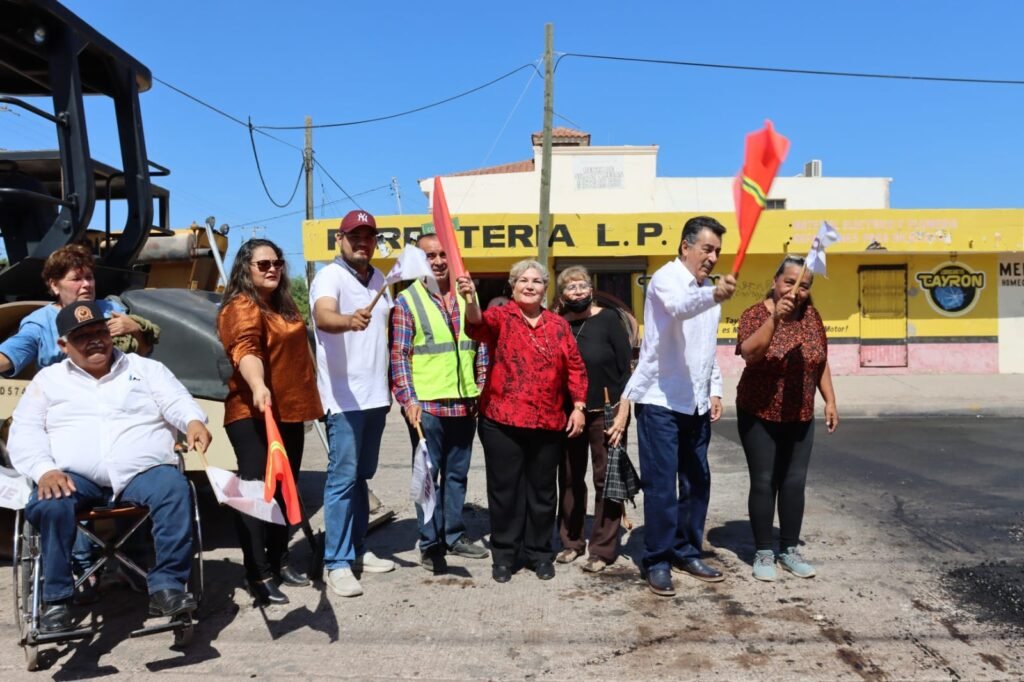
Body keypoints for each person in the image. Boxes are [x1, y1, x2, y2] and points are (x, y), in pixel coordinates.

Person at [7, 301, 211, 633]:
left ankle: (167, 587)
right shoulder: (48, 381)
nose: (95, 340)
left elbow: (176, 400)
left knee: (174, 488)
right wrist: (44, 470)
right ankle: (56, 601)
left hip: (142, 473)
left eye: (100, 331)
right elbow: (25, 432)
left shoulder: (144, 369)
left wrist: (192, 422)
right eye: (82, 336)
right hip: (75, 478)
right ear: (63, 345)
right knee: (51, 502)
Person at [623, 215, 737, 597]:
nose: (712, 257)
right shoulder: (666, 280)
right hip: (660, 400)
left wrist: (715, 389)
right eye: (706, 248)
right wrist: (714, 294)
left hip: (696, 402)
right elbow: (679, 307)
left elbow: (707, 347)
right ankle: (657, 559)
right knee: (662, 487)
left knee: (697, 482)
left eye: (718, 251)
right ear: (685, 246)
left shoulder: (708, 290)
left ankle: (686, 550)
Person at [459, 260, 587, 583]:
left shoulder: (558, 326)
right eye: (523, 281)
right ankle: (504, 556)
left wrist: (579, 406)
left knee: (542, 493)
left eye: (537, 281)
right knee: (505, 493)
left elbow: (574, 366)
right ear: (513, 287)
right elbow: (475, 325)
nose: (530, 286)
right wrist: (471, 298)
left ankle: (540, 553)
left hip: (547, 423)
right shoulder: (502, 316)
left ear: (545, 289)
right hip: (502, 421)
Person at [217, 239, 324, 605]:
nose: (272, 269)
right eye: (263, 264)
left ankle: (279, 559)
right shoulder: (241, 306)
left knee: (285, 490)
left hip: (289, 411)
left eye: (277, 262)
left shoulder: (281, 303)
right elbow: (245, 349)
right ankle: (258, 573)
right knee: (255, 496)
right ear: (245, 268)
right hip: (252, 412)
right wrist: (259, 385)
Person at [735, 255, 839, 582]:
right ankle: (764, 551)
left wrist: (830, 400)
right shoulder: (755, 314)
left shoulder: (811, 316)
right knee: (765, 481)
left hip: (800, 412)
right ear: (776, 281)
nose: (796, 290)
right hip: (759, 411)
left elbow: (819, 360)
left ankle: (790, 549)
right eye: (789, 282)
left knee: (794, 483)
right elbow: (750, 354)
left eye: (804, 285)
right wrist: (774, 321)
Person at [390, 232, 489, 573]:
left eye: (443, 254)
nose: (438, 261)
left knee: (457, 475)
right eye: (430, 256)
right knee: (429, 477)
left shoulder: (467, 297)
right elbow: (400, 355)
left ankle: (454, 534)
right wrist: (408, 399)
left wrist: (481, 386)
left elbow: (481, 345)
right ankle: (430, 542)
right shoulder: (407, 302)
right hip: (427, 406)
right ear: (420, 260)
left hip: (464, 403)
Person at [311, 209, 396, 598]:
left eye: (368, 237)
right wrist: (348, 321)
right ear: (339, 240)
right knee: (342, 479)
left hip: (376, 396)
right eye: (354, 236)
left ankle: (358, 550)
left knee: (361, 477)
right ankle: (336, 562)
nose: (362, 242)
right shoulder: (329, 276)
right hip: (343, 399)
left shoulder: (380, 279)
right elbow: (323, 316)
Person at [554, 266, 632, 573]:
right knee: (571, 478)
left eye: (582, 286)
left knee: (606, 479)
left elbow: (627, 368)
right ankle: (571, 541)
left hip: (607, 410)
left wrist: (624, 412)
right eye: (570, 288)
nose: (577, 292)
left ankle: (602, 549)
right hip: (570, 412)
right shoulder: (558, 324)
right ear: (561, 295)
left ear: (591, 289)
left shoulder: (610, 319)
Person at [0, 243, 158, 378]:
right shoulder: (41, 322)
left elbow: (143, 354)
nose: (86, 284)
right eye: (76, 279)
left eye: (89, 277)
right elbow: (9, 356)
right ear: (55, 285)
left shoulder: (112, 309)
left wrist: (136, 329)